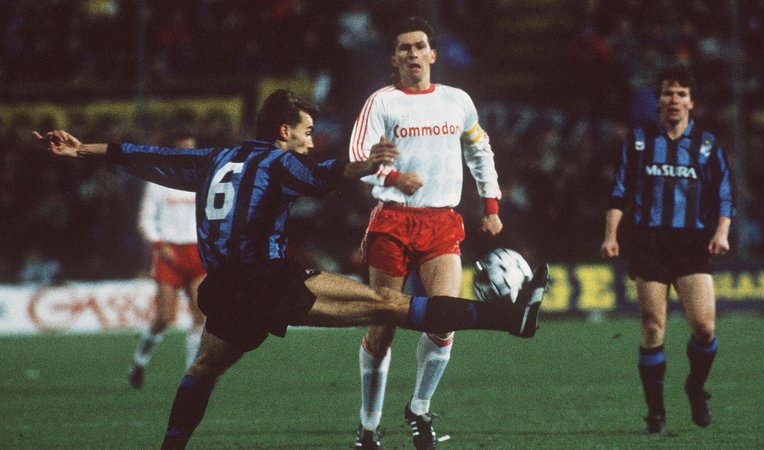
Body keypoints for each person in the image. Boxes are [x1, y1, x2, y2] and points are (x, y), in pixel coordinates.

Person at [33, 89, 549, 450]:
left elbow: (145, 156)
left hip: (225, 289)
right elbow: (323, 174)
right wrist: (367, 166)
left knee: (202, 372)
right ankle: (510, 319)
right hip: (268, 280)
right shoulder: (276, 162)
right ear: (284, 131)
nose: (309, 138)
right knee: (388, 305)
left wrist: (83, 150)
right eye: (305, 131)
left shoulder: (216, 158)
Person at [348, 16, 504, 450]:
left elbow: (479, 148)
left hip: (441, 221)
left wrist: (490, 204)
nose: (413, 54)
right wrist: (394, 177)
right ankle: (367, 426)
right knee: (384, 325)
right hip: (394, 221)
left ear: (433, 54)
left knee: (444, 319)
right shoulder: (381, 102)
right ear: (394, 58)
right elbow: (359, 156)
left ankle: (418, 410)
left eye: (419, 46)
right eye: (404, 48)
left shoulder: (457, 101)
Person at [600, 65, 734, 434]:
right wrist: (611, 235)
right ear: (657, 100)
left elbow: (725, 195)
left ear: (692, 102)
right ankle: (655, 414)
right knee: (652, 326)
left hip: (691, 243)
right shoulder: (639, 141)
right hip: (650, 242)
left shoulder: (707, 145)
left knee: (704, 328)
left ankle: (694, 387)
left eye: (681, 94)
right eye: (667, 93)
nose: (673, 100)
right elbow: (619, 192)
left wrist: (722, 232)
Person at [129, 136, 207, 389]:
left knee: (201, 315)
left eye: (192, 149)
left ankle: (192, 374)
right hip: (169, 252)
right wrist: (159, 245)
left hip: (197, 252)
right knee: (164, 318)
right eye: (184, 149)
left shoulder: (203, 181)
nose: (189, 154)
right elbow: (145, 219)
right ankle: (140, 359)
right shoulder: (158, 183)